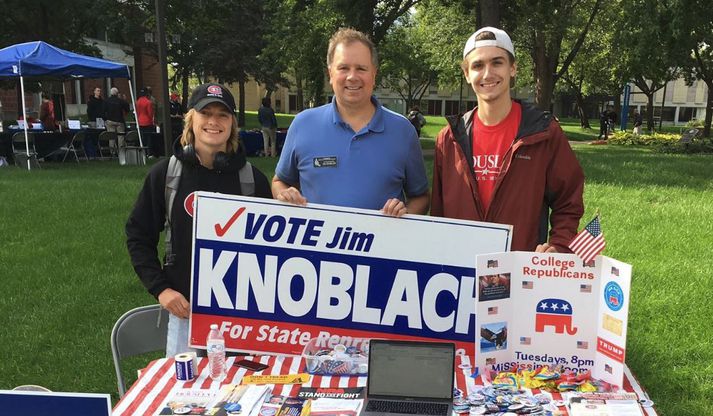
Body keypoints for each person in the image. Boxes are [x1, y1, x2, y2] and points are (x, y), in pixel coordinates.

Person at [126, 83, 272, 356]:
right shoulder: (166, 175)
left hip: (244, 318)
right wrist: (161, 289)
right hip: (187, 314)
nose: (213, 122)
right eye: (206, 113)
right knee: (185, 394)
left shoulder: (252, 180)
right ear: (191, 119)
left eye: (222, 115)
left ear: (232, 124)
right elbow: (138, 235)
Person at [430, 27, 584, 253]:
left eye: (497, 63)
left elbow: (568, 200)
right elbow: (439, 213)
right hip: (462, 272)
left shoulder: (544, 132)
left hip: (521, 271)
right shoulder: (449, 138)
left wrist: (559, 245)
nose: (487, 74)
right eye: (478, 66)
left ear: (513, 68)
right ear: (466, 74)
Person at [273, 28, 430, 217]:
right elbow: (279, 182)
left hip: (381, 245)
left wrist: (402, 216)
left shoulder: (403, 131)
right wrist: (285, 195)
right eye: (343, 68)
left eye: (361, 68)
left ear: (374, 74)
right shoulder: (303, 125)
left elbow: (421, 197)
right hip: (315, 243)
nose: (352, 77)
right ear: (330, 73)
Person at [104, 87, 131, 163]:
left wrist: (105, 119)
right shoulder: (120, 101)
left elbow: (103, 110)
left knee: (111, 137)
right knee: (120, 137)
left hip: (110, 121)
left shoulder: (107, 101)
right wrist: (125, 100)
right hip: (119, 121)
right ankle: (121, 152)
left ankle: (112, 152)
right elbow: (127, 108)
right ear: (117, 93)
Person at [136, 88, 156, 157]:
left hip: (140, 121)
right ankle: (149, 153)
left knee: (142, 138)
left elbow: (137, 112)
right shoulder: (148, 102)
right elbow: (150, 114)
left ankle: (142, 152)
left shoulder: (137, 102)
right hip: (147, 122)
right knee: (149, 138)